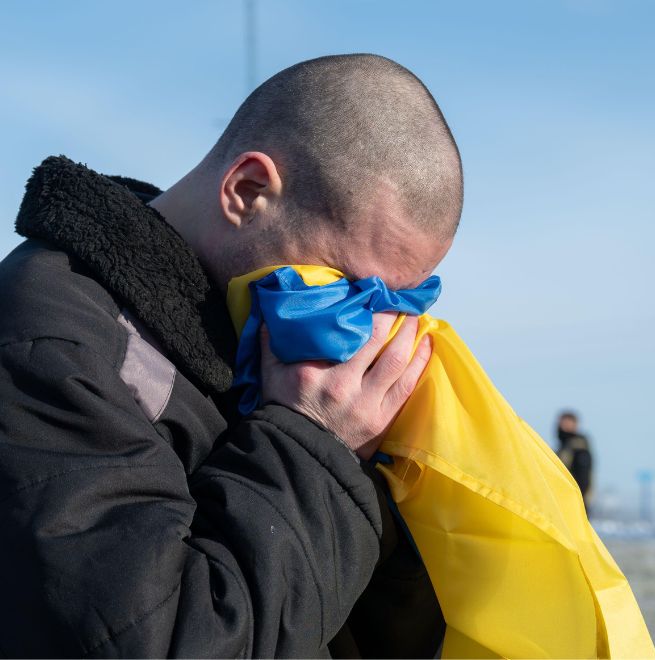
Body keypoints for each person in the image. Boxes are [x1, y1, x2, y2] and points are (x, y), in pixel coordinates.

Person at [0, 54, 462, 657]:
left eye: (396, 303)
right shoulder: (50, 341)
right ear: (246, 191)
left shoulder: (250, 347)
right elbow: (161, 641)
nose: (366, 330)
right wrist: (312, 444)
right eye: (344, 286)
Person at [557, 410, 593, 515]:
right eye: (563, 423)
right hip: (564, 499)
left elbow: (584, 477)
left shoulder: (579, 447)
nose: (564, 426)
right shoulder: (564, 447)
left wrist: (580, 500)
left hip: (574, 500)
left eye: (568, 423)